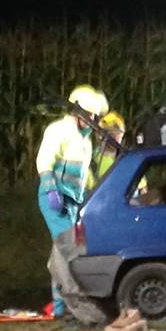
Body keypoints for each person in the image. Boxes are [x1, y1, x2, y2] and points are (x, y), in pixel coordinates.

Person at [36, 84, 108, 318]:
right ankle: (75, 308)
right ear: (79, 113)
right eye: (91, 116)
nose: (93, 121)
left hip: (71, 202)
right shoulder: (59, 130)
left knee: (59, 255)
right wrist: (50, 188)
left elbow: (82, 176)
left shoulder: (85, 140)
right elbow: (45, 159)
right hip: (54, 197)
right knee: (69, 250)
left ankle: (59, 308)